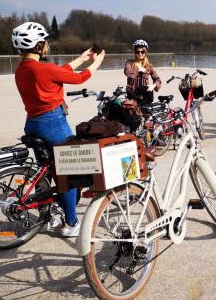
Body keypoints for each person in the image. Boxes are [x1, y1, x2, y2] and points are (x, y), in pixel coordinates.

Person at [13, 21, 104, 237]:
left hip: (33, 123)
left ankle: (46, 217)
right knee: (69, 172)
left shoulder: (22, 69)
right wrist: (97, 62)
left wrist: (83, 58)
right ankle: (71, 223)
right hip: (53, 124)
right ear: (38, 46)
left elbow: (58, 72)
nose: (47, 45)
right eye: (45, 42)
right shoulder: (43, 69)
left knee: (44, 170)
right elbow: (78, 77)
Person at [124, 39, 162, 105]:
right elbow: (127, 73)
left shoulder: (148, 66)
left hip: (146, 96)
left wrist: (153, 86)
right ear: (135, 53)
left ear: (145, 52)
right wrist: (138, 70)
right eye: (137, 52)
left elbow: (157, 79)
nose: (140, 53)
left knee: (146, 114)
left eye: (142, 51)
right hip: (133, 96)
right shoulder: (129, 63)